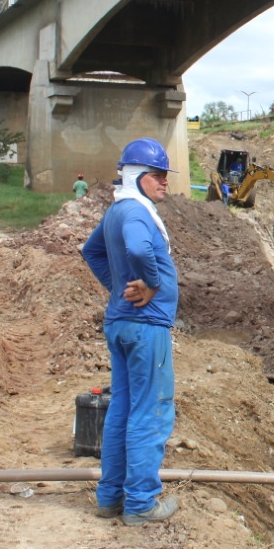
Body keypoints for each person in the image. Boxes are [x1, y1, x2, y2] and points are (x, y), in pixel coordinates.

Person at [81, 137, 180, 525]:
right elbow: (140, 251)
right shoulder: (137, 214)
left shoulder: (117, 211)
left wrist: (118, 285)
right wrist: (150, 284)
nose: (164, 182)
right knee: (150, 412)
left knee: (121, 409)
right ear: (138, 176)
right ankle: (140, 502)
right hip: (146, 326)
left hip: (121, 322)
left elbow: (92, 251)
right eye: (157, 175)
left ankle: (110, 497)